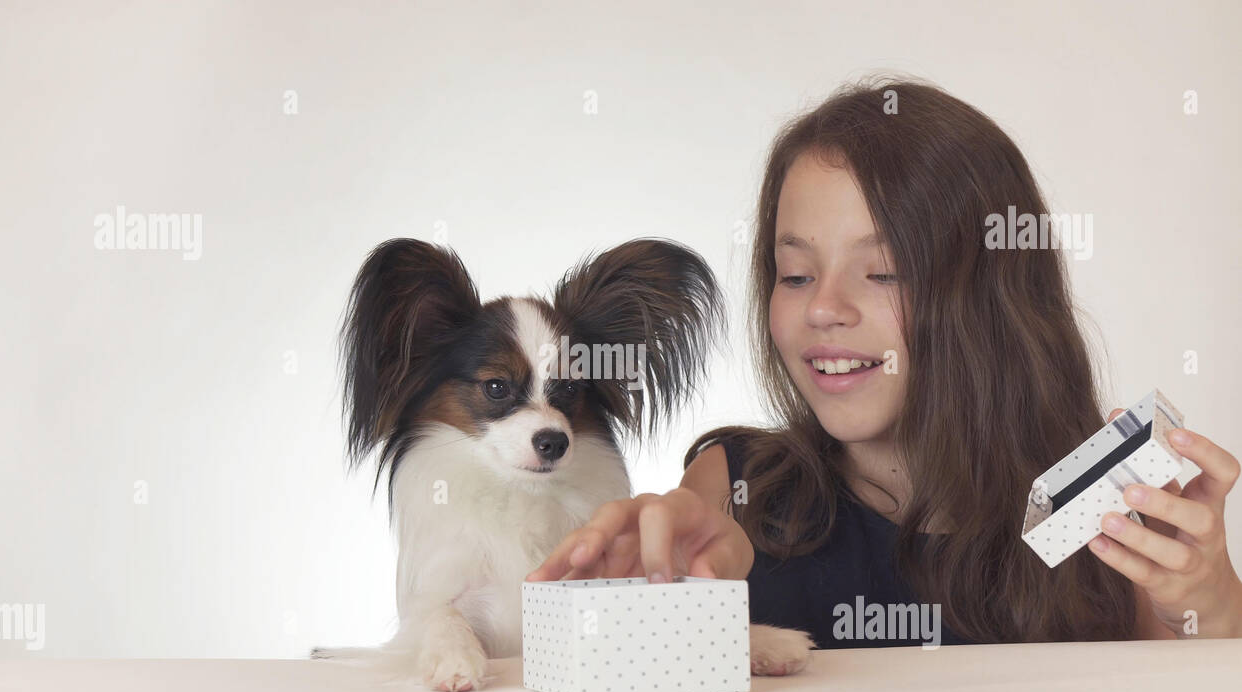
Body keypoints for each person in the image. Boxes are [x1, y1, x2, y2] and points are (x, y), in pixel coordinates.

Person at [526, 77, 1242, 646]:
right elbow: (691, 580)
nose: (822, 309)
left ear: (991, 294)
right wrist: (664, 595)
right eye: (796, 275)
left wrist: (1208, 610)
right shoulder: (733, 485)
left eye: (884, 271)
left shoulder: (1102, 515)